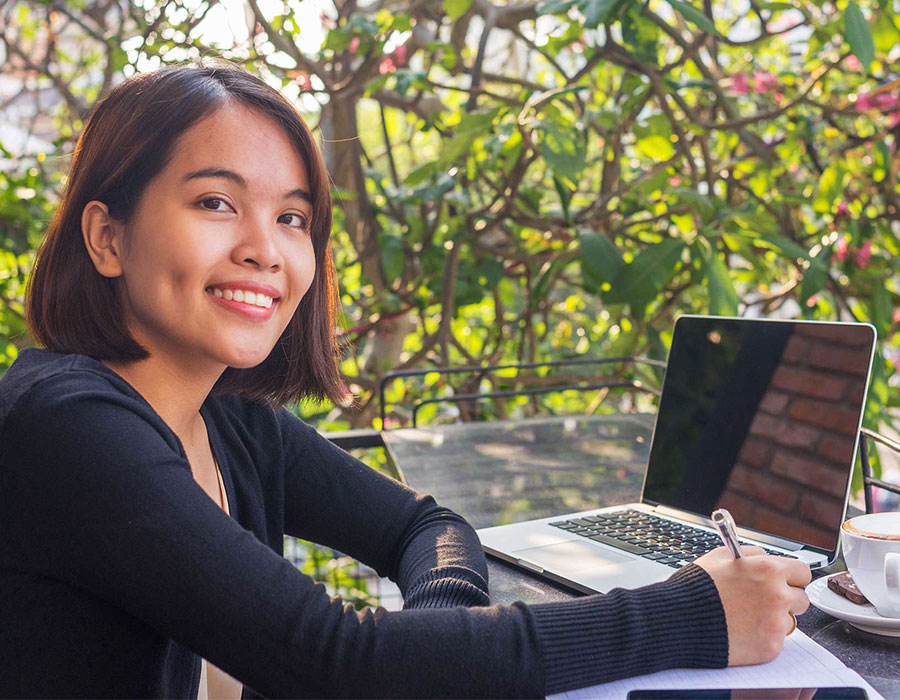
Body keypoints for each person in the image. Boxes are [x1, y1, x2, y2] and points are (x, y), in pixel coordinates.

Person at [0, 61, 811, 698]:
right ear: (107, 238)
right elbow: (339, 664)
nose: (265, 249)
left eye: (292, 218)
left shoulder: (226, 416)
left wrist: (434, 648)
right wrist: (692, 614)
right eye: (216, 202)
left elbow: (426, 527)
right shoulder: (68, 426)